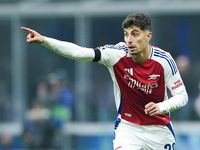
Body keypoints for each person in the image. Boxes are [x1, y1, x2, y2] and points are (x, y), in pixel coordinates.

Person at [21, 13, 188, 150]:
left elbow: (182, 96)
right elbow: (78, 52)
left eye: (135, 34)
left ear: (147, 36)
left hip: (159, 130)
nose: (129, 39)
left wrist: (160, 107)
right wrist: (44, 41)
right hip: (128, 127)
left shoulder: (164, 60)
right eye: (126, 34)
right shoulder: (115, 54)